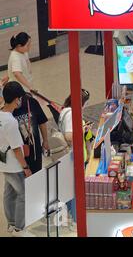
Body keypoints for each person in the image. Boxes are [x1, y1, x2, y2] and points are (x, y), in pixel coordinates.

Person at [0, 81, 34, 237]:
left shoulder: (1, 115)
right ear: (16, 99)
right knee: (23, 194)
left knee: (9, 193)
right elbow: (16, 149)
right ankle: (19, 229)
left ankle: (11, 223)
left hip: (3, 162)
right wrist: (25, 167)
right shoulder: (11, 122)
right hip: (13, 165)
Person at [57, 89, 92, 229]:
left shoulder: (65, 111)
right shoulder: (71, 114)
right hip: (74, 157)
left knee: (71, 189)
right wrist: (83, 128)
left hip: (73, 156)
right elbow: (69, 136)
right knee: (76, 190)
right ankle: (76, 220)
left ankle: (72, 217)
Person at [12, 92, 49, 174]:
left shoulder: (31, 102)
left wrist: (45, 140)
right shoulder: (9, 107)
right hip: (18, 152)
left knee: (36, 174)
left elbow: (42, 122)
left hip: (35, 149)